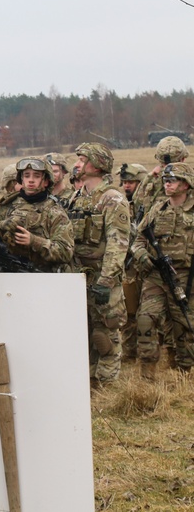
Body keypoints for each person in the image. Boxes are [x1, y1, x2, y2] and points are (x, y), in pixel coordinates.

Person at [67, 142, 130, 386]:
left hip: (102, 281)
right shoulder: (77, 197)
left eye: (82, 160)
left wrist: (106, 280)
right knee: (84, 335)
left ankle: (106, 390)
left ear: (97, 164)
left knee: (105, 336)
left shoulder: (112, 199)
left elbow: (118, 243)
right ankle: (88, 387)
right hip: (78, 279)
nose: (77, 164)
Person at [130, 162, 194, 379]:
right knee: (145, 320)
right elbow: (138, 238)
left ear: (186, 184)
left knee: (184, 327)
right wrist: (141, 255)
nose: (168, 184)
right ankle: (147, 376)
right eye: (166, 180)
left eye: (173, 180)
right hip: (156, 276)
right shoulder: (157, 209)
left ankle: (185, 375)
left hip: (186, 278)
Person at [0, 157, 73, 272]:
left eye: (36, 176)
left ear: (46, 181)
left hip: (41, 277)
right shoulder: (7, 205)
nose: (31, 180)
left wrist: (34, 241)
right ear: (21, 180)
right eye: (27, 176)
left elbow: (66, 252)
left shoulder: (54, 212)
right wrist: (0, 227)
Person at [119, 162, 149, 361]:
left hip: (148, 266)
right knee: (129, 311)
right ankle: (130, 353)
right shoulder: (121, 205)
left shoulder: (151, 207)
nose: (127, 186)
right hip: (129, 266)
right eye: (124, 182)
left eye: (131, 182)